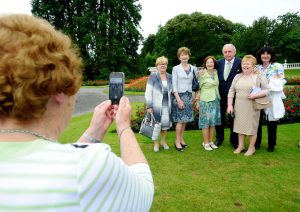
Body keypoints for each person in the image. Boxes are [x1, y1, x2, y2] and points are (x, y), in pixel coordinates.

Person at [0, 14, 154, 211]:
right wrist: (124, 128)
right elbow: (143, 190)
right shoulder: (86, 167)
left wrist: (93, 132)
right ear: (58, 89)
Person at [227, 55, 270, 156]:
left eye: (248, 63)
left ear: (253, 65)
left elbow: (267, 90)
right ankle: (241, 146)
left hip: (252, 106)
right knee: (239, 127)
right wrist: (230, 105)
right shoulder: (237, 76)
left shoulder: (259, 76)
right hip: (238, 105)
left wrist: (256, 95)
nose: (245, 65)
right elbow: (231, 91)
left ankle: (252, 148)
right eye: (243, 63)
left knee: (252, 128)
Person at [255, 46, 286, 152]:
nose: (265, 55)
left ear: (271, 55)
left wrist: (270, 85)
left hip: (272, 97)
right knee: (257, 121)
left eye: (268, 53)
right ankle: (256, 143)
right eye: (263, 53)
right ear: (260, 55)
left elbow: (282, 80)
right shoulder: (257, 67)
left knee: (271, 121)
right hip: (259, 96)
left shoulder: (277, 66)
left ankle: (271, 144)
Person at [215, 44, 241, 148]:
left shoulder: (240, 62)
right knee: (219, 118)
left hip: (234, 96)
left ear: (234, 52)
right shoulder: (219, 63)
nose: (227, 54)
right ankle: (219, 138)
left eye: (229, 51)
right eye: (225, 52)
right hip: (219, 95)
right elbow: (210, 70)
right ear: (223, 53)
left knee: (233, 118)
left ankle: (234, 140)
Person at [145, 56, 173, 152]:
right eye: (161, 64)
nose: (163, 66)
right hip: (156, 106)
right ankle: (156, 143)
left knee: (164, 126)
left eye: (165, 64)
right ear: (157, 65)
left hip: (166, 106)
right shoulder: (153, 77)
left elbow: (173, 90)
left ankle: (163, 142)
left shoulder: (169, 76)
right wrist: (149, 105)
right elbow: (148, 92)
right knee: (156, 126)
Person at [172, 47, 196, 152]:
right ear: (179, 57)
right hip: (179, 97)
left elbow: (196, 83)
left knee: (185, 121)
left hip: (189, 96)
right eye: (182, 55)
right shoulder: (176, 68)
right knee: (180, 121)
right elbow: (174, 86)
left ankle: (182, 139)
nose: (184, 56)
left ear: (188, 56)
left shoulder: (193, 68)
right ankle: (177, 142)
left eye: (186, 54)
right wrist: (179, 100)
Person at [195, 56, 221, 151]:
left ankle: (210, 141)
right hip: (205, 101)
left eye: (211, 62)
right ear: (205, 64)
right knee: (205, 123)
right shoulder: (201, 74)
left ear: (214, 63)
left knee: (213, 123)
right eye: (208, 62)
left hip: (215, 100)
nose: (210, 64)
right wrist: (197, 102)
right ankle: (205, 143)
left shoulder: (216, 72)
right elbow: (198, 89)